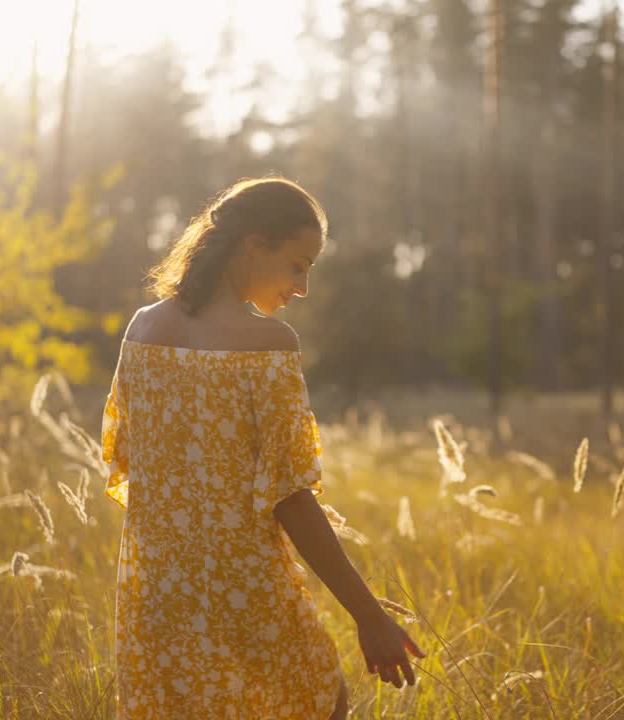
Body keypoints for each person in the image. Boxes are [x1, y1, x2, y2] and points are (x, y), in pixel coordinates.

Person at [101, 176, 425, 719]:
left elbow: (132, 462)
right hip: (243, 588)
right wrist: (369, 616)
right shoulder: (267, 344)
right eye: (298, 265)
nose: (302, 288)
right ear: (254, 244)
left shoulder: (143, 329)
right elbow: (291, 497)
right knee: (321, 701)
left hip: (155, 594)